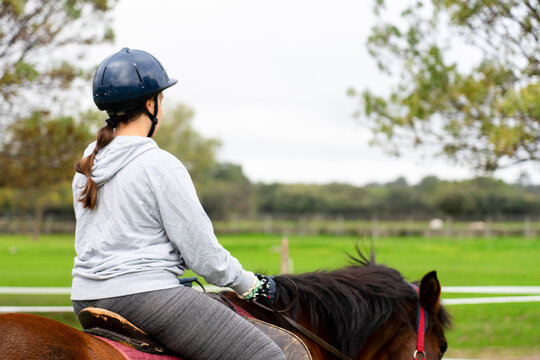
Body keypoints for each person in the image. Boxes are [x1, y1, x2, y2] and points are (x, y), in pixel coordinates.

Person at [71, 48, 285, 360]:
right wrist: (250, 285)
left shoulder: (87, 165)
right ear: (150, 103)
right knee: (270, 356)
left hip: (85, 298)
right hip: (145, 298)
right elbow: (203, 255)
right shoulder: (158, 165)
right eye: (161, 99)